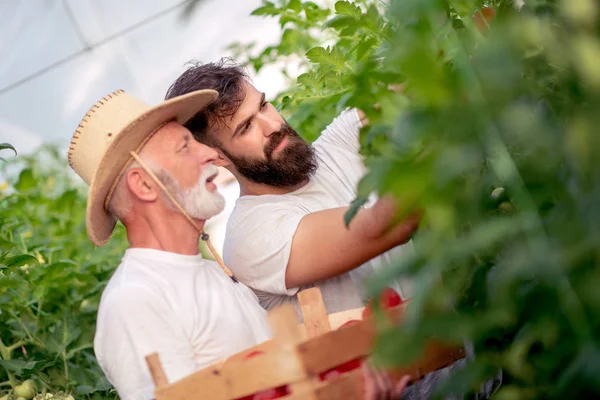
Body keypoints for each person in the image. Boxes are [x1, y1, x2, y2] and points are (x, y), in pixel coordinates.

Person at [68, 89, 409, 400]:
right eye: (185, 146)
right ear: (144, 184)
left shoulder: (215, 276)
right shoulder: (135, 300)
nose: (210, 154)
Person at [164, 59, 421, 315]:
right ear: (217, 156)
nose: (273, 125)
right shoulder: (250, 236)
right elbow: (391, 224)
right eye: (246, 127)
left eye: (263, 106)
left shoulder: (337, 147)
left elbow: (409, 87)